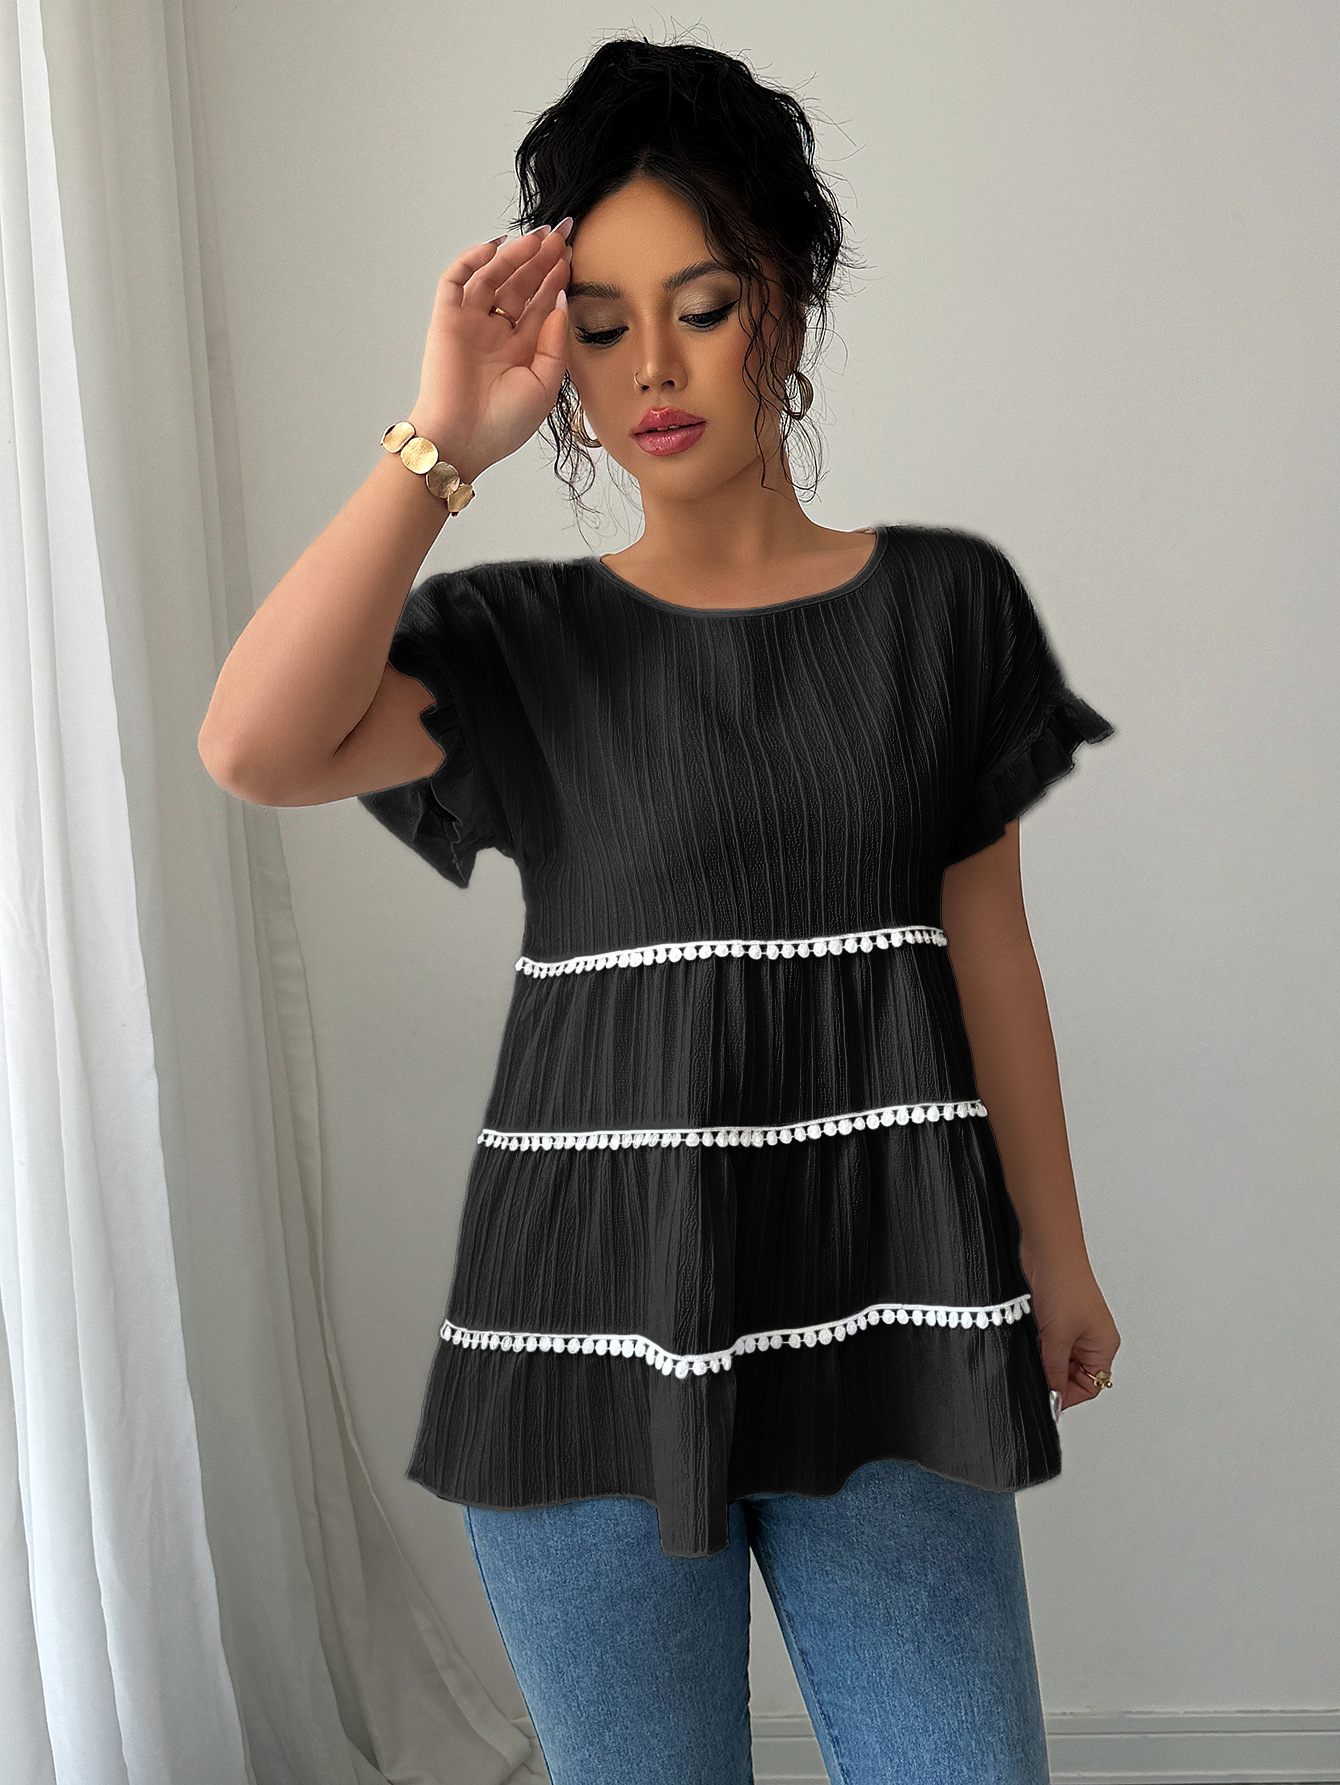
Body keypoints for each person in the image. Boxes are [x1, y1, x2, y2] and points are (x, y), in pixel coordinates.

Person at [199, 33, 1122, 1785]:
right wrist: (440, 439)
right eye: (604, 327)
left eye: (701, 304)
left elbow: (988, 944)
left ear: (791, 296)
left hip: (891, 1324)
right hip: (582, 1345)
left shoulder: (946, 612)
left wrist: (1054, 1248)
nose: (655, 369)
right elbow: (251, 743)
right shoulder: (523, 644)